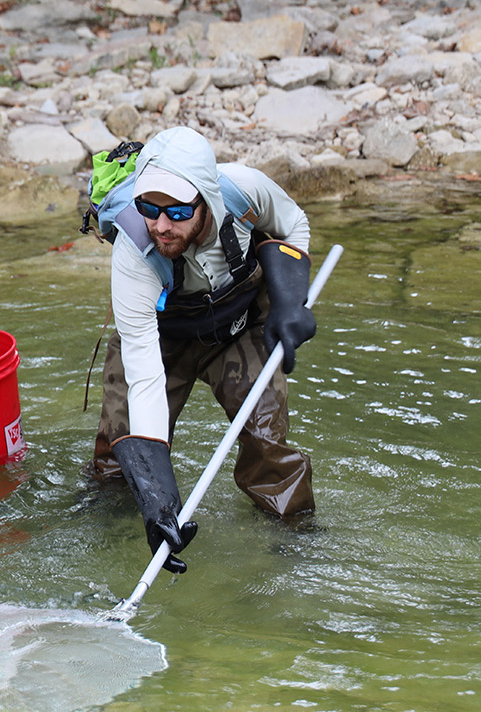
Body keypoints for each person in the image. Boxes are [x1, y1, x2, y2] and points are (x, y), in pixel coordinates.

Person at [91, 126, 317, 574]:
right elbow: (145, 375)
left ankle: (299, 547)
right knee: (122, 461)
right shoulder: (133, 250)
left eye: (176, 211)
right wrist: (158, 496)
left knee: (267, 443)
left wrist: (290, 302)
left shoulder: (247, 190)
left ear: (207, 201)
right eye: (149, 209)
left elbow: (295, 226)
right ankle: (105, 534)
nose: (160, 225)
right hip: (158, 337)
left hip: (238, 326)